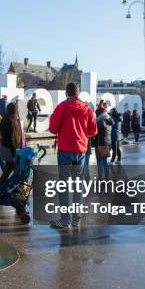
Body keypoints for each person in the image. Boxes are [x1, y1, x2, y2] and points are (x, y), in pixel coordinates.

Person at [48, 82, 97, 228]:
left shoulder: (62, 107)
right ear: (78, 92)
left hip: (65, 150)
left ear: (66, 93)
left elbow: (52, 128)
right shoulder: (87, 108)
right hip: (81, 151)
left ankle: (65, 220)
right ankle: (76, 218)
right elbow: (93, 131)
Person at [0, 102, 23, 185]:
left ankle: (2, 182)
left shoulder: (5, 117)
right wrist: (14, 152)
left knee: (9, 167)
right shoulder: (11, 121)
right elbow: (11, 139)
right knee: (14, 167)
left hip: (3, 146)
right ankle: (13, 184)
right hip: (9, 148)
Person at [94, 107, 113, 179]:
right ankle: (107, 176)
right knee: (105, 161)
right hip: (107, 143)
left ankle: (100, 178)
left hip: (100, 143)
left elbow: (95, 133)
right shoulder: (108, 119)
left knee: (99, 162)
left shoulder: (100, 122)